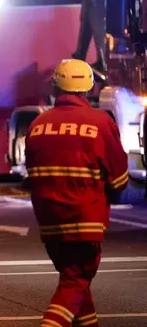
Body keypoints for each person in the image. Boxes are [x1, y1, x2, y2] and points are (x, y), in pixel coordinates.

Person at [25, 59, 129, 327]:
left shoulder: (38, 124)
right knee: (75, 282)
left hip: (49, 222)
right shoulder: (100, 122)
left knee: (75, 283)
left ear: (57, 86)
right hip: (85, 220)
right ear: (89, 87)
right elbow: (118, 178)